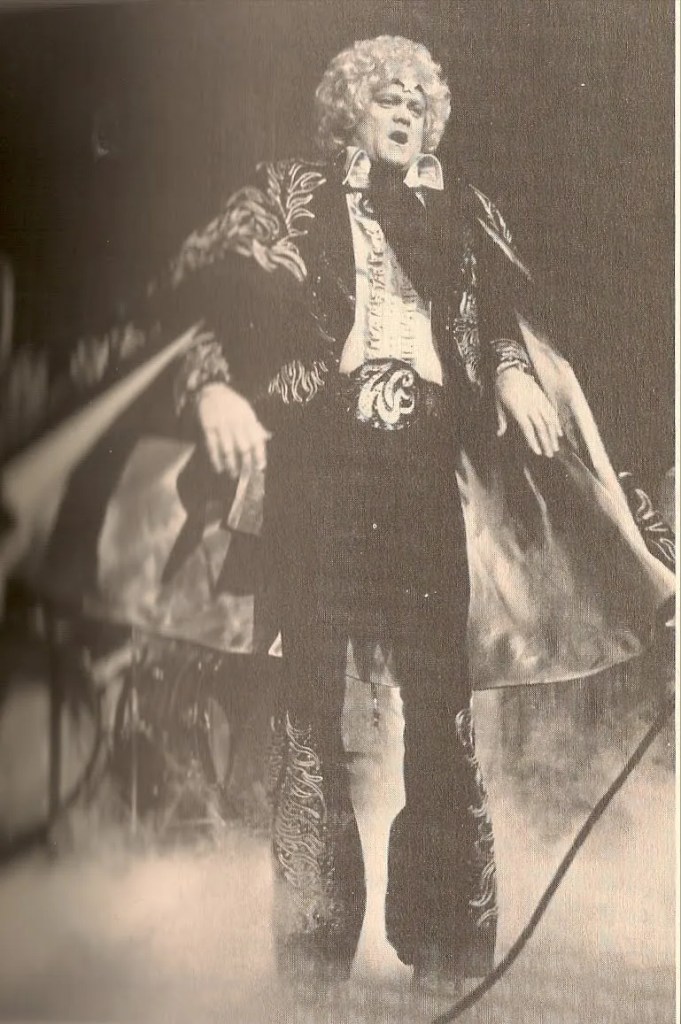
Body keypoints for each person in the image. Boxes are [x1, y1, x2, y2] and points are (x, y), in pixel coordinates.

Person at [166, 34, 578, 995]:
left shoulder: (460, 208)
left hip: (424, 467)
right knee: (309, 705)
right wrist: (211, 389)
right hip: (321, 463)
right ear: (347, 110)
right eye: (386, 98)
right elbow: (198, 298)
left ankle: (449, 946)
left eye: (418, 103)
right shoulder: (287, 194)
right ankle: (311, 952)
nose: (405, 113)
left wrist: (512, 373)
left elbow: (498, 317)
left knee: (440, 703)